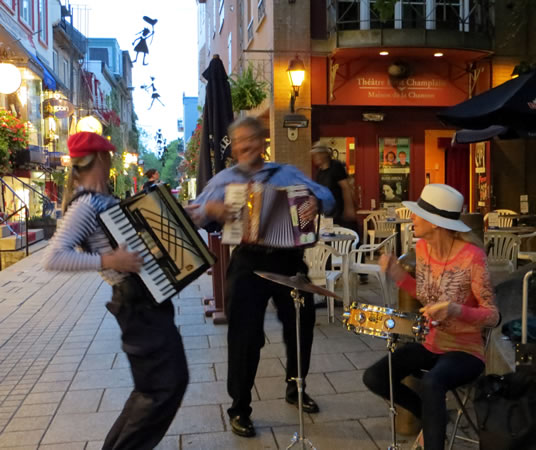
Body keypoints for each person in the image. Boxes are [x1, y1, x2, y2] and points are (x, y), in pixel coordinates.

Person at [186, 116, 335, 438]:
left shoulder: (287, 173)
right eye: (239, 141)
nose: (246, 146)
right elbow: (193, 213)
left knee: (301, 325)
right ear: (234, 147)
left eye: (251, 139)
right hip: (248, 262)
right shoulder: (223, 180)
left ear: (262, 141)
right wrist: (211, 210)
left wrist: (312, 201)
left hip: (289, 259)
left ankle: (296, 387)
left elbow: (326, 197)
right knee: (244, 337)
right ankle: (239, 407)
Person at [42, 132, 189, 449]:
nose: (111, 161)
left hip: (146, 303)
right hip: (135, 305)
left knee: (152, 389)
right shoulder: (86, 204)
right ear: (99, 158)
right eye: (107, 155)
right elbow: (54, 257)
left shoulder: (103, 199)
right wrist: (110, 259)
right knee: (163, 388)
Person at [362, 183, 499, 450]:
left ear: (435, 223)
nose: (412, 218)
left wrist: (456, 309)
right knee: (375, 376)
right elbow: (428, 296)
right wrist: (398, 276)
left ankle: (433, 435)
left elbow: (492, 316)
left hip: (466, 350)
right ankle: (431, 418)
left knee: (433, 382)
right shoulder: (423, 249)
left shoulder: (472, 257)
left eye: (417, 214)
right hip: (431, 342)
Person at [311, 144, 356, 227]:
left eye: (317, 155)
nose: (315, 158)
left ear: (324, 154)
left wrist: (349, 209)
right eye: (314, 156)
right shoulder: (319, 173)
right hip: (326, 214)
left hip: (338, 212)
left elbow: (345, 187)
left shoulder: (336, 166)